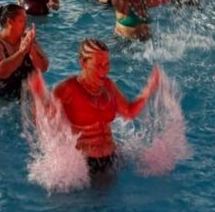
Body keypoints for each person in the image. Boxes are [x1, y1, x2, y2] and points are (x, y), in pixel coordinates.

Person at [43, 38, 161, 175]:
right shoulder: (67, 89)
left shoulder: (109, 85)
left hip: (111, 158)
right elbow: (44, 120)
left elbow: (128, 111)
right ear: (83, 63)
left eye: (106, 65)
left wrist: (148, 88)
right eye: (98, 65)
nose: (104, 71)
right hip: (84, 164)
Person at [0, 3, 49, 99]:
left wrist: (31, 47)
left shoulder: (26, 39)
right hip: (0, 100)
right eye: (22, 21)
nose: (26, 25)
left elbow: (43, 67)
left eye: (26, 21)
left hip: (24, 96)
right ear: (10, 22)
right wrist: (22, 52)